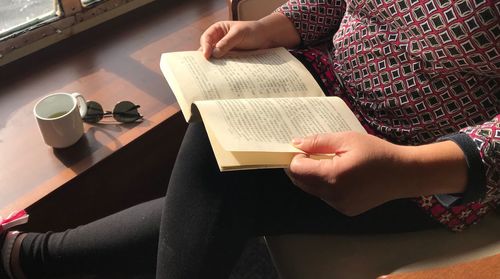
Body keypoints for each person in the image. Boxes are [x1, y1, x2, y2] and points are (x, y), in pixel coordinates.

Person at [1, 0, 499, 278]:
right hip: (322, 86)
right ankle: (29, 257)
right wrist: (265, 28)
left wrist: (407, 169)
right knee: (216, 145)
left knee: (220, 177)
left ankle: (29, 257)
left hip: (421, 161)